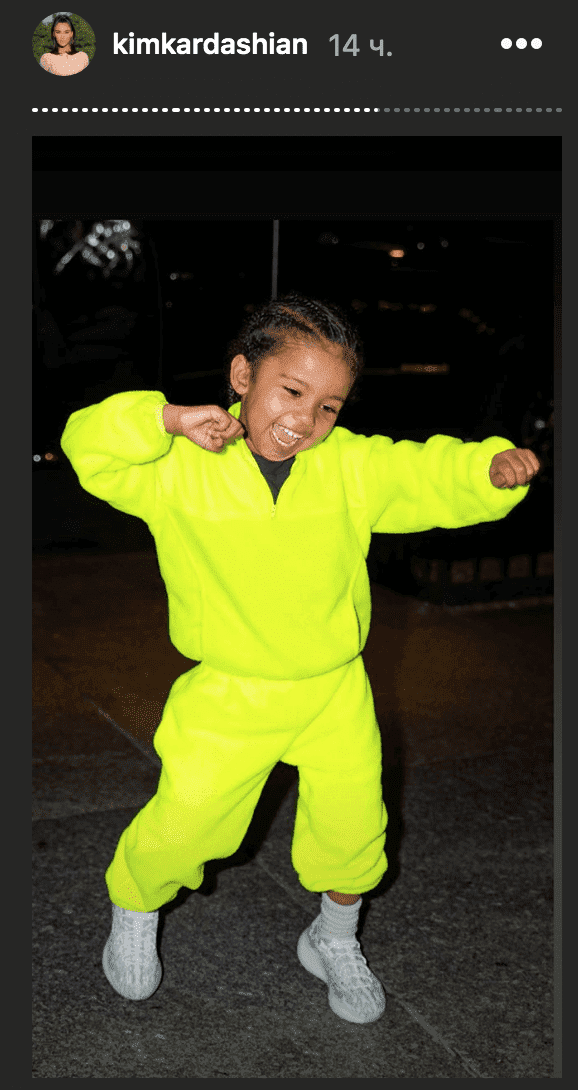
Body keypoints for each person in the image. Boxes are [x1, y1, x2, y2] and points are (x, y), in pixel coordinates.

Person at [60, 291, 540, 1024]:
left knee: (354, 826)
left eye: (329, 407)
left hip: (332, 689)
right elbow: (87, 443)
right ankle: (134, 907)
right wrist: (166, 419)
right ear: (243, 375)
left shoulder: (348, 467)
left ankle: (333, 936)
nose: (306, 420)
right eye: (292, 390)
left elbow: (418, 475)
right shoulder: (176, 469)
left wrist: (486, 471)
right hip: (230, 693)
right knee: (188, 818)